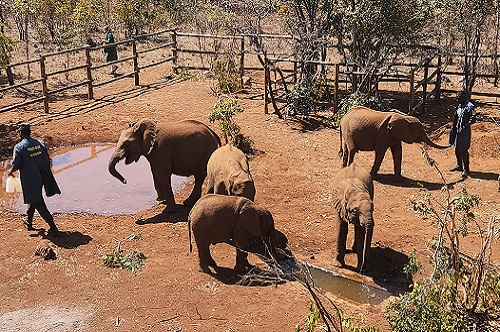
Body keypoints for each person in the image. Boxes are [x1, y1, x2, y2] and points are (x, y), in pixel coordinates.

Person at [8, 123, 61, 234]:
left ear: (21, 133)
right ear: (29, 132)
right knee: (34, 197)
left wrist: (11, 171)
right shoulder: (40, 143)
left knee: (37, 201)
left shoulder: (19, 147)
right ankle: (29, 221)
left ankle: (53, 227)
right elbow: (47, 159)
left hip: (30, 179)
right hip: (42, 177)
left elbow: (16, 164)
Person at [449, 90, 476, 178]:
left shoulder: (470, 106)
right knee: (457, 149)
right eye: (456, 98)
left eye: (459, 98)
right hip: (457, 131)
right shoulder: (459, 106)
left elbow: (473, 118)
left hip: (464, 132)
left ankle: (466, 169)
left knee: (463, 150)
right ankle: (459, 165)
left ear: (464, 97)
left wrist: (466, 125)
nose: (457, 99)